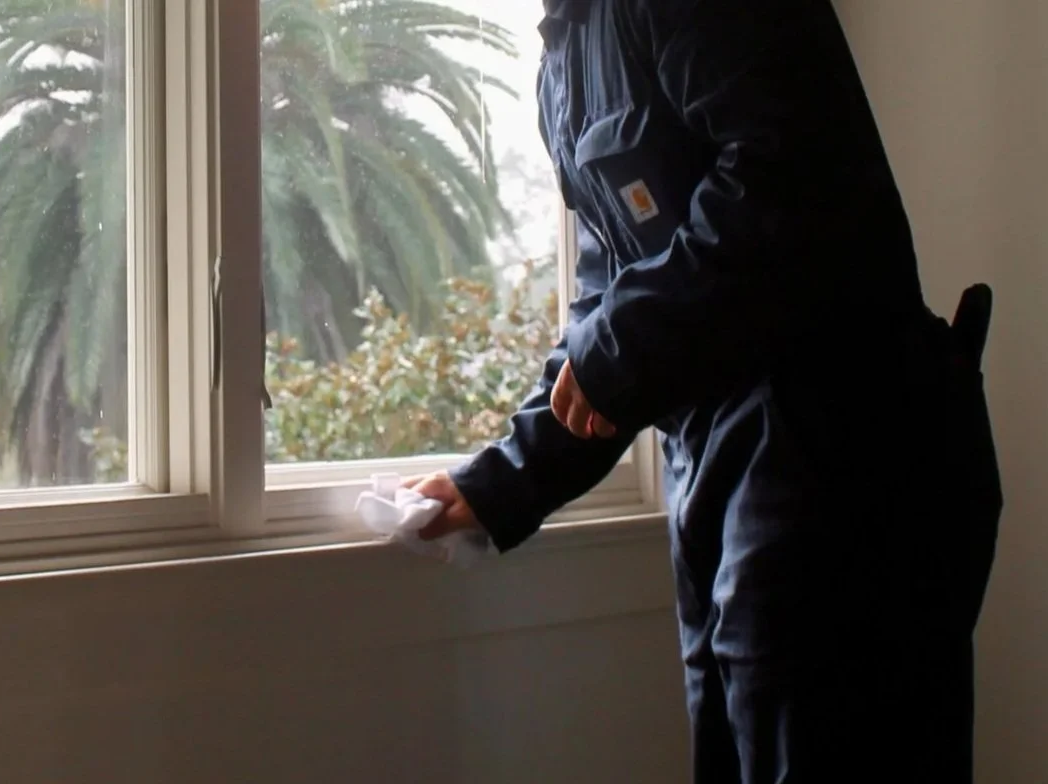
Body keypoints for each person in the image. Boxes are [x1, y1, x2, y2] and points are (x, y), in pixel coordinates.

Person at [406, 1, 1003, 781]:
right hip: (720, 469)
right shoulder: (568, 53)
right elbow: (610, 291)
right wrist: (502, 483)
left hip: (844, 455)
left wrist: (617, 351)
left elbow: (787, 174)